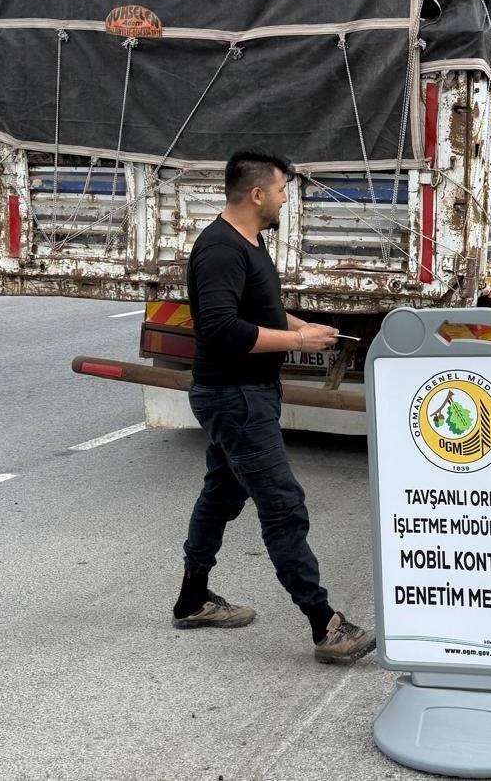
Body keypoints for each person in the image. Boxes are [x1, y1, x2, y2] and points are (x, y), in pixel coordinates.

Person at [172, 149, 376, 665]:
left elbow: (258, 307)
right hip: (233, 396)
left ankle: (192, 599)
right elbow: (220, 329)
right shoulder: (219, 249)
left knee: (221, 495)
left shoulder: (250, 241)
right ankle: (325, 626)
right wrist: (294, 344)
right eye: (283, 189)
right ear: (258, 193)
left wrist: (299, 328)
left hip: (245, 393)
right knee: (283, 505)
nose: (287, 197)